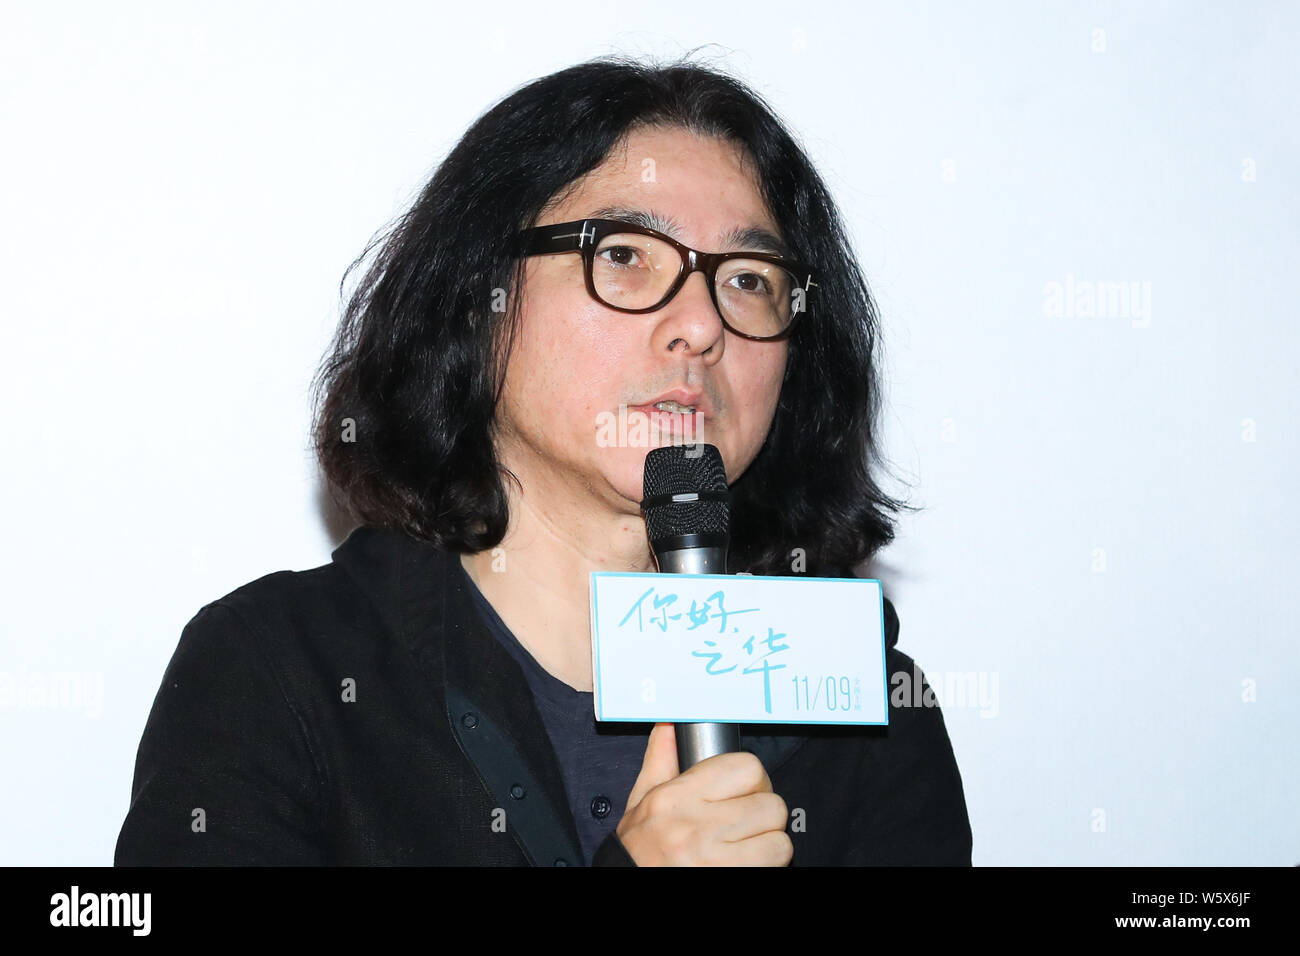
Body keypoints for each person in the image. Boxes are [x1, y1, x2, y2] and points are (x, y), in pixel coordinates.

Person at [114, 54, 973, 866]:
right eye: (626, 257)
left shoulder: (866, 704)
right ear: (477, 302)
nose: (702, 325)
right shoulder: (279, 669)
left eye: (748, 277)